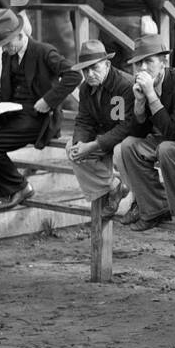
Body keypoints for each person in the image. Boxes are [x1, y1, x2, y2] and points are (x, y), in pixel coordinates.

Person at [0, 9, 81, 210]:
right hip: (12, 112)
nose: (6, 48)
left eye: (9, 43)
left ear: (21, 35)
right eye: (3, 45)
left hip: (39, 117)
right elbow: (5, 92)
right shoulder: (8, 54)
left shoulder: (44, 51)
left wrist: (48, 100)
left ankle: (17, 188)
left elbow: (74, 76)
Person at [113, 35, 175, 232]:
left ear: (163, 62)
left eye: (148, 61)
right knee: (128, 146)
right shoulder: (139, 85)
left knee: (167, 149)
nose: (142, 68)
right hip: (165, 139)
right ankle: (155, 208)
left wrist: (151, 95)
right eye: (138, 63)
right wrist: (140, 103)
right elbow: (137, 132)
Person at [64, 40, 136, 219]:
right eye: (85, 70)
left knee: (93, 151)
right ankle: (113, 186)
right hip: (104, 135)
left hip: (128, 138)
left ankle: (115, 191)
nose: (89, 74)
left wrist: (94, 145)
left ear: (107, 64)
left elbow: (123, 127)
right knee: (71, 148)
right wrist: (80, 142)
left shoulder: (122, 86)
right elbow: (83, 120)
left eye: (94, 68)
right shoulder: (85, 88)